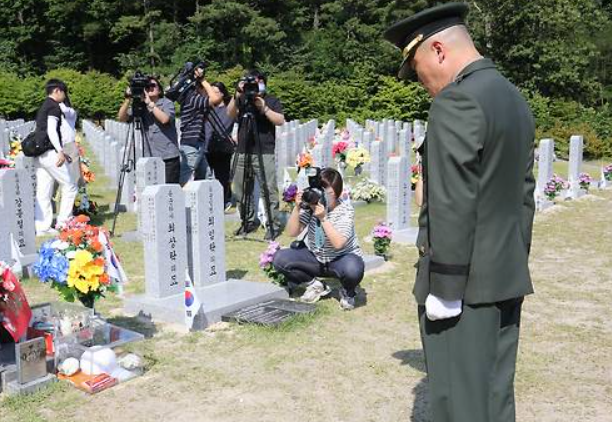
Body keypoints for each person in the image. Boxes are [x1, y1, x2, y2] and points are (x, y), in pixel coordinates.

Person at [384, 3, 535, 422]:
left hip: (464, 287)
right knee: (494, 398)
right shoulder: (510, 96)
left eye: (419, 72)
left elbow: (451, 200)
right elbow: (523, 195)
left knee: (459, 404)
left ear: (438, 50)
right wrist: (511, 259)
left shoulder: (457, 100)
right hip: (503, 274)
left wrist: (445, 289)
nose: (423, 85)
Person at [272, 168, 365, 310]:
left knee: (353, 269)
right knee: (280, 259)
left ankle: (348, 292)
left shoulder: (345, 210)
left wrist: (323, 218)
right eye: (321, 191)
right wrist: (297, 208)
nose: (323, 195)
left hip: (341, 259)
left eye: (329, 192)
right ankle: (315, 285)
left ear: (337, 192)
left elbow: (338, 244)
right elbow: (291, 232)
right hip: (316, 257)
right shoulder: (312, 207)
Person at [227, 69, 285, 240]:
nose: (255, 85)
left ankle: (273, 225)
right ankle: (248, 221)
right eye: (252, 82)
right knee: (240, 188)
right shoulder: (242, 99)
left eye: (259, 82)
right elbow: (229, 113)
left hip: (264, 151)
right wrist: (237, 93)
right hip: (242, 150)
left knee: (268, 189)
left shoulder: (271, 100)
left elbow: (280, 120)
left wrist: (264, 108)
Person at [34, 79, 79, 236]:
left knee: (43, 191)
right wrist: (59, 151)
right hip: (51, 153)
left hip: (40, 154)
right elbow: (52, 130)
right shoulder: (54, 106)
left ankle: (42, 227)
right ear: (57, 91)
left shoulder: (44, 105)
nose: (65, 96)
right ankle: (63, 223)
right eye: (64, 92)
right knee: (70, 185)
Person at [118, 76, 181, 184]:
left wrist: (150, 104)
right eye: (147, 86)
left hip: (168, 157)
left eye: (153, 85)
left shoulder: (166, 103)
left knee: (169, 190)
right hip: (150, 156)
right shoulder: (140, 105)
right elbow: (122, 118)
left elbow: (165, 119)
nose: (150, 88)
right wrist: (128, 99)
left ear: (159, 90)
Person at [176, 68, 222, 185]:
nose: (207, 91)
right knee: (186, 177)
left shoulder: (190, 99)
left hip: (196, 143)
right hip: (192, 144)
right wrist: (203, 80)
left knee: (206, 176)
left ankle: (205, 197)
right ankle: (179, 195)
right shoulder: (193, 99)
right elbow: (216, 99)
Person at [204, 82, 236, 209]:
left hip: (223, 148)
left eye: (215, 92)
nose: (212, 95)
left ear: (222, 94)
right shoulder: (206, 108)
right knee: (205, 176)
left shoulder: (229, 109)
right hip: (206, 146)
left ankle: (224, 200)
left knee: (222, 176)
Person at [59, 93, 82, 185]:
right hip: (58, 146)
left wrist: (58, 101)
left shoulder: (71, 112)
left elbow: (65, 110)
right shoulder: (55, 115)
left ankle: (80, 191)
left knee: (75, 175)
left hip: (69, 146)